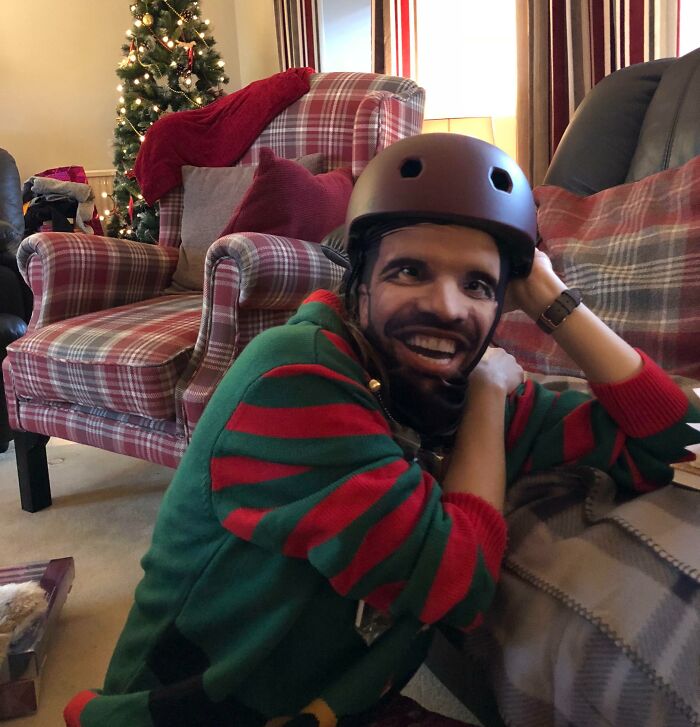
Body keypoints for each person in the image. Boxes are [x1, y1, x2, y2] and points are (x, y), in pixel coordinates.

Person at [64, 134, 699, 727]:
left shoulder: (449, 389)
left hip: (336, 703)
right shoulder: (292, 377)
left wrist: (551, 295)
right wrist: (484, 399)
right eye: (410, 271)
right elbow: (453, 586)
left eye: (477, 284)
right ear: (358, 282)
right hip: (203, 711)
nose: (447, 306)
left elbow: (668, 431)